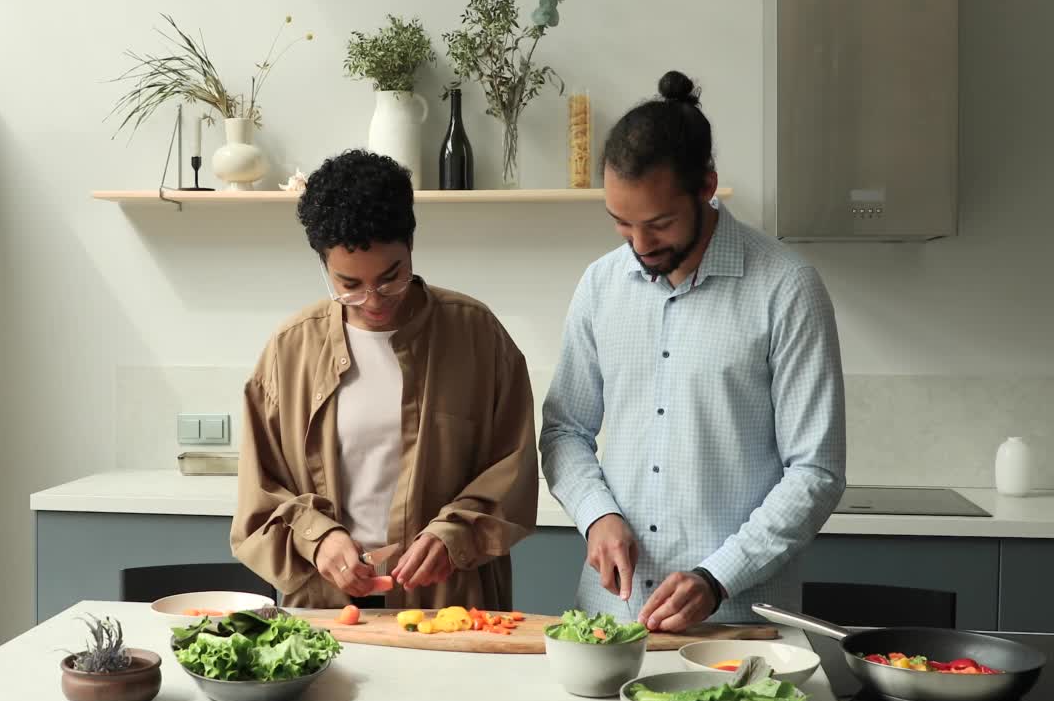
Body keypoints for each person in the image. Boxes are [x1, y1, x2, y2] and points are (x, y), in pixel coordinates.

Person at [540, 71, 846, 632]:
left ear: (706, 186)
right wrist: (596, 515)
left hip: (739, 619)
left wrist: (717, 576)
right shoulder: (600, 285)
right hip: (612, 618)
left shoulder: (787, 287)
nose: (639, 245)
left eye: (658, 224)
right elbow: (564, 431)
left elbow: (816, 470)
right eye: (621, 224)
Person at [231, 149, 538, 610]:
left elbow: (512, 472)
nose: (373, 300)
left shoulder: (477, 336)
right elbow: (260, 502)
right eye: (348, 285)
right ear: (322, 265)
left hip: (448, 602)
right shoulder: (289, 351)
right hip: (327, 605)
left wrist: (452, 536)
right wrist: (318, 538)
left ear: (411, 245)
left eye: (391, 278)